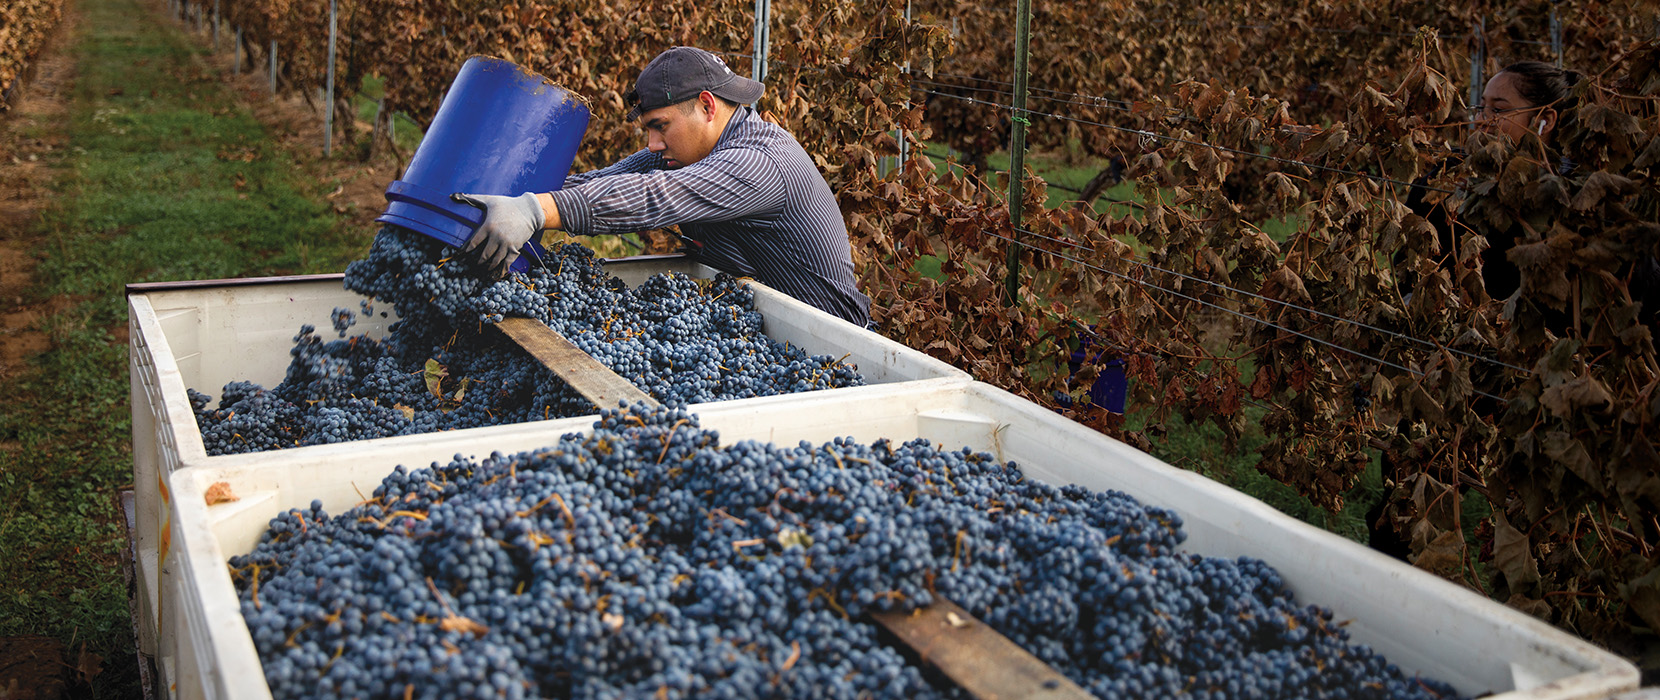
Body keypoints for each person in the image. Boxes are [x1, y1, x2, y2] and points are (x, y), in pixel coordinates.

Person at [453, 46, 872, 327]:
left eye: (660, 127)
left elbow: (656, 197)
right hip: (764, 326)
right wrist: (509, 197)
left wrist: (534, 211)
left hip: (835, 344)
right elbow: (604, 182)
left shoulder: (759, 164)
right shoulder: (692, 151)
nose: (653, 144)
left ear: (707, 106)